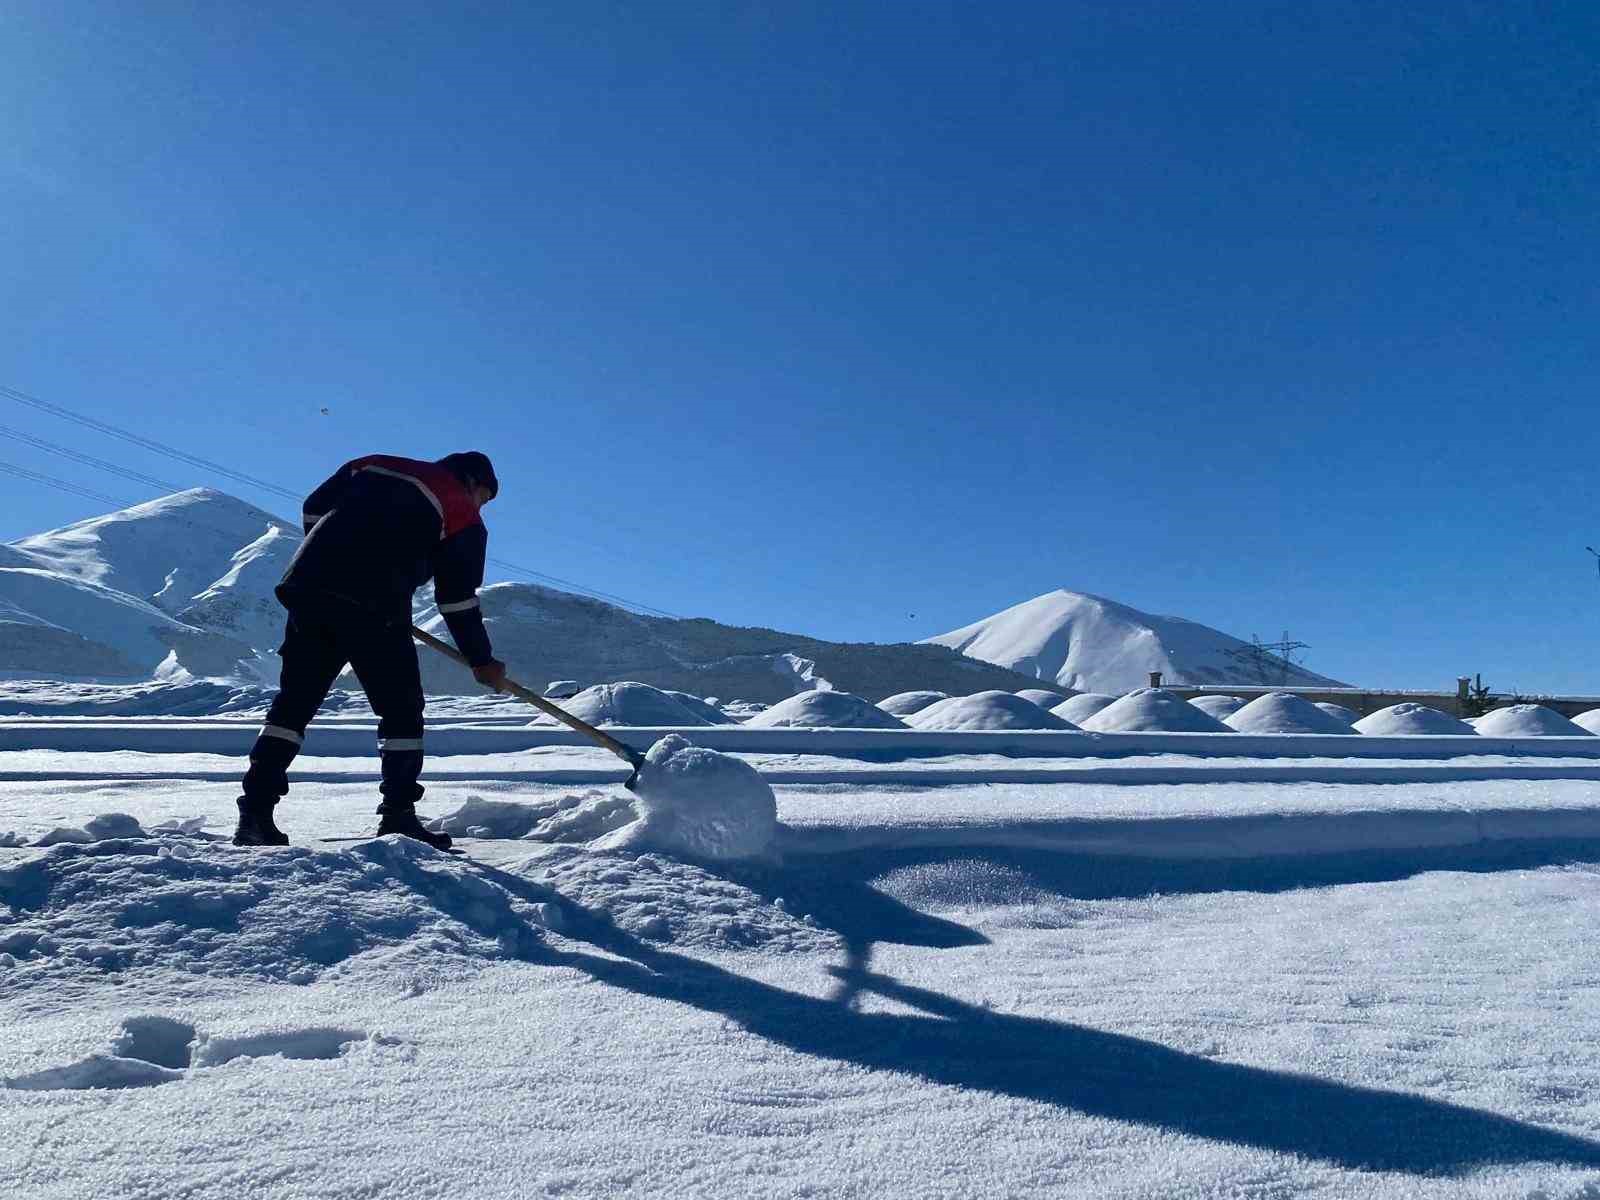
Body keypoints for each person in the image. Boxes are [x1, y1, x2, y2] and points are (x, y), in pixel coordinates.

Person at [233, 452, 509, 849]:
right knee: (401, 711)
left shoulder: (373, 465)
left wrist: (334, 562)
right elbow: (457, 601)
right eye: (485, 496)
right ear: (471, 482)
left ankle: (254, 815)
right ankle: (398, 815)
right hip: (377, 605)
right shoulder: (462, 511)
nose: (482, 505)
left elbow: (313, 506)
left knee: (294, 705)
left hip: (310, 590)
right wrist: (482, 661)